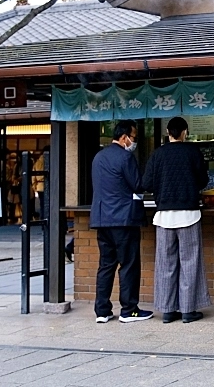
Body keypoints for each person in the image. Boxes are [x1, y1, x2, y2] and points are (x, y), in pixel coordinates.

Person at [142, 117, 211, 324]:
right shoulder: (192, 152)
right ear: (185, 132)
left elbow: (146, 183)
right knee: (190, 262)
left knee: (166, 263)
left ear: (167, 131)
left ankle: (168, 310)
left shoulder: (157, 154)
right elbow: (203, 180)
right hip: (189, 214)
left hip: (163, 217)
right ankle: (188, 311)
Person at [90, 119, 152, 324]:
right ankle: (129, 310)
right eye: (133, 137)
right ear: (124, 137)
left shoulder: (98, 157)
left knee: (106, 265)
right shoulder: (126, 157)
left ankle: (102, 310)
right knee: (129, 264)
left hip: (102, 218)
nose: (134, 141)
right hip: (124, 219)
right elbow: (137, 185)